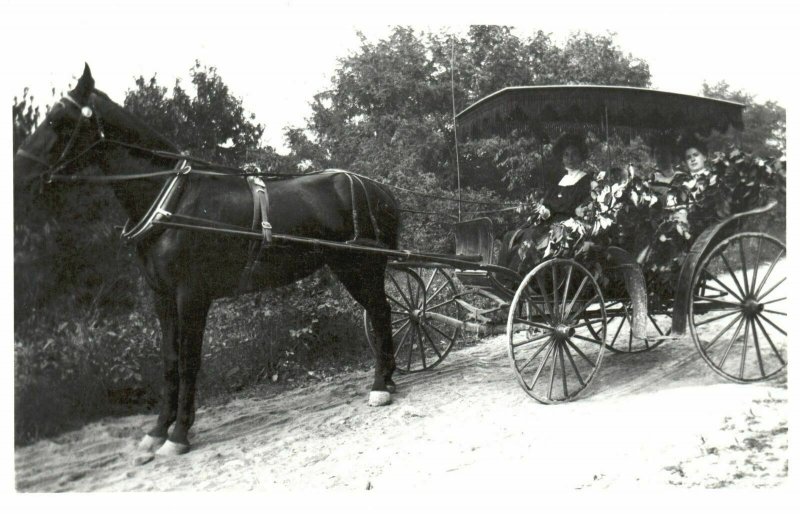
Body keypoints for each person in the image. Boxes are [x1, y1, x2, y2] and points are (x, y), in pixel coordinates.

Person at [498, 134, 593, 273]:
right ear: (562, 158)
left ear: (581, 156)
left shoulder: (586, 181)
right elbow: (549, 204)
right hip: (548, 223)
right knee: (511, 236)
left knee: (529, 238)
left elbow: (578, 207)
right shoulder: (560, 180)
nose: (570, 159)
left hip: (566, 226)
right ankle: (500, 275)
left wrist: (552, 211)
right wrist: (544, 210)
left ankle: (514, 280)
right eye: (566, 155)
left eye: (574, 154)